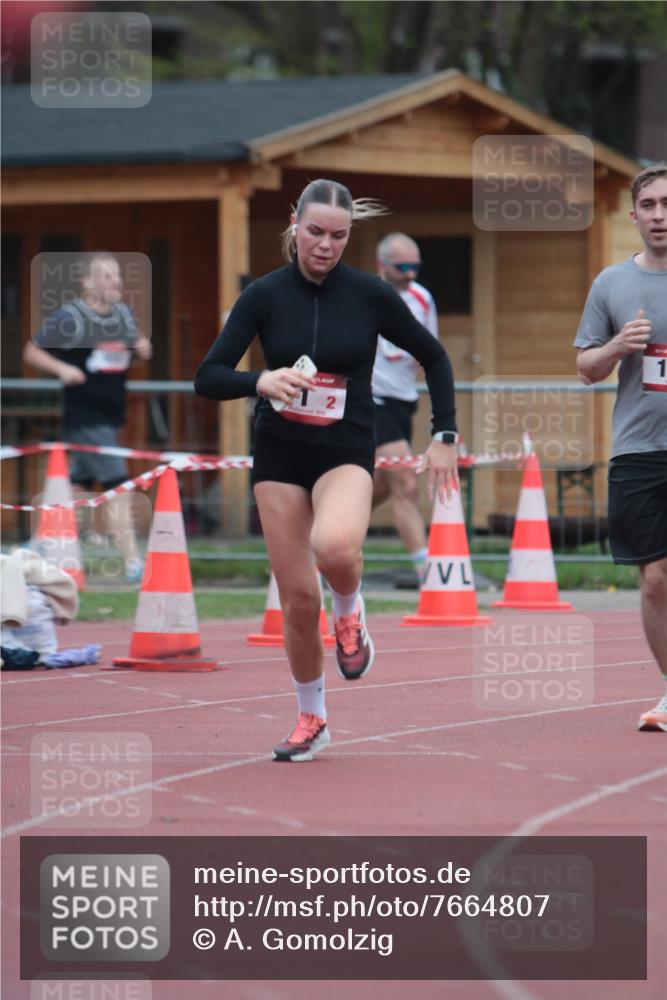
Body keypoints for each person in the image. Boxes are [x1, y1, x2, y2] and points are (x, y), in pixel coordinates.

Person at [195, 178, 459, 762]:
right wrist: (259, 380)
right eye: (315, 231)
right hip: (280, 453)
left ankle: (351, 611)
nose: (325, 245)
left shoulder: (369, 295)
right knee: (295, 600)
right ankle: (312, 717)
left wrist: (444, 434)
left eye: (338, 236)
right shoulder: (264, 296)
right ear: (294, 223)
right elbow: (208, 374)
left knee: (336, 547)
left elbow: (435, 356)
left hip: (345, 447)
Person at [574, 163, 667, 732]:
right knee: (655, 578)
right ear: (633, 216)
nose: (661, 215)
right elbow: (585, 367)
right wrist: (616, 346)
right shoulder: (611, 284)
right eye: (650, 205)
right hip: (638, 450)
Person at [23, 251, 152, 583]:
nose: (116, 282)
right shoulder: (71, 317)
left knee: (73, 487)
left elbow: (120, 359)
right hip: (85, 418)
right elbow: (32, 351)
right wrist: (63, 368)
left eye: (117, 276)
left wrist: (140, 354)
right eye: (107, 276)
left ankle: (38, 548)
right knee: (118, 486)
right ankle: (133, 561)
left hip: (111, 415)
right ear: (88, 282)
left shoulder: (123, 315)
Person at [371, 233, 442, 583]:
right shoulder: (365, 295)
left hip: (403, 400)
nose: (410, 273)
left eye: (415, 266)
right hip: (372, 401)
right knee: (405, 482)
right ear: (382, 265)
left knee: (379, 486)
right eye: (402, 267)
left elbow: (431, 352)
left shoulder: (422, 298)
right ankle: (426, 569)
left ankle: (322, 537)